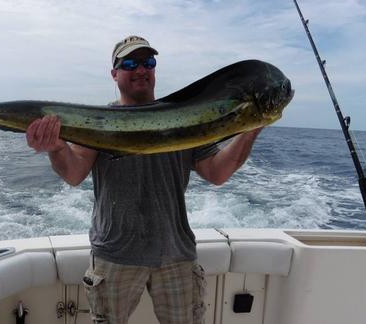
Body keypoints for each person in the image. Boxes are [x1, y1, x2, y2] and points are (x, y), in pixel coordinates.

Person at [25, 35, 262, 324]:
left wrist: (251, 128)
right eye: (130, 63)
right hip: (115, 255)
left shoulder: (183, 118)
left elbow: (217, 172)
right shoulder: (99, 122)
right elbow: (74, 173)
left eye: (148, 62)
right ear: (114, 73)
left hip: (176, 254)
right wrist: (57, 148)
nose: (141, 69)